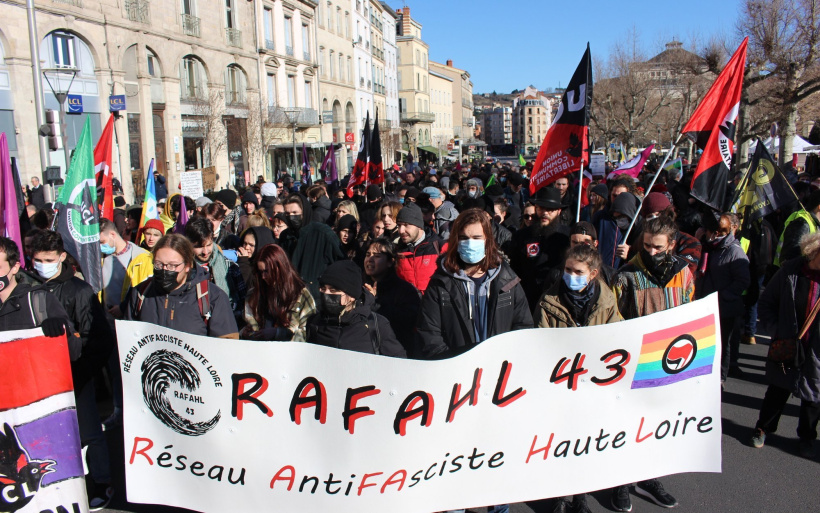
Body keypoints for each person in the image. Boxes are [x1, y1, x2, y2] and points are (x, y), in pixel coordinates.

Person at [25, 231, 116, 510]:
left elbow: (97, 337)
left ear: (62, 257)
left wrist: (81, 372)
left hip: (75, 376)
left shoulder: (79, 291)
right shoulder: (25, 288)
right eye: (37, 260)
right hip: (38, 379)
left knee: (88, 432)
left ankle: (101, 482)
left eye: (49, 260)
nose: (42, 265)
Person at [609, 217, 692, 512]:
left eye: (658, 247)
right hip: (634, 363)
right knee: (628, 425)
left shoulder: (683, 273)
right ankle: (620, 482)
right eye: (646, 246)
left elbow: (690, 312)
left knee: (656, 426)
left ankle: (649, 477)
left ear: (671, 245)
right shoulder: (627, 274)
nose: (651, 252)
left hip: (669, 362)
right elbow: (613, 319)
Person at [417, 208, 533, 360]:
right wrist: (454, 362)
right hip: (457, 372)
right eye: (464, 238)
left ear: (488, 240)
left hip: (499, 369)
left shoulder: (508, 281)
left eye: (477, 238)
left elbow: (523, 328)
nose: (470, 243)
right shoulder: (440, 284)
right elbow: (430, 334)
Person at [751, 231, 820, 458]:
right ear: (813, 252)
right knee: (778, 388)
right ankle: (763, 428)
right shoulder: (791, 270)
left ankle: (807, 437)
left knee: (814, 395)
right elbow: (767, 302)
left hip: (816, 350)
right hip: (788, 341)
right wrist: (776, 331)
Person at [123, 234, 239, 338]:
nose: (165, 270)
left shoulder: (213, 297)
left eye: (172, 266)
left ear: (187, 265)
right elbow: (127, 339)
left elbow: (227, 344)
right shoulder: (141, 293)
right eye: (159, 264)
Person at [305, 260, 406, 356]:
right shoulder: (315, 322)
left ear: (352, 295)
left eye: (333, 290)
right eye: (323, 289)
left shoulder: (377, 325)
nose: (326, 294)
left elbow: (398, 363)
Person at [696, 213, 751, 383]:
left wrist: (721, 296)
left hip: (724, 308)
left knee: (722, 344)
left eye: (711, 231)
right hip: (706, 304)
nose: (708, 234)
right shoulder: (708, 247)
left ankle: (720, 379)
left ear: (720, 232)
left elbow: (743, 281)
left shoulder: (734, 252)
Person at [509, 187, 571, 307]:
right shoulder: (521, 236)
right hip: (527, 299)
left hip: (557, 299)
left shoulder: (566, 236)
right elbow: (514, 269)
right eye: (541, 208)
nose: (545, 213)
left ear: (558, 211)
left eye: (550, 210)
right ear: (536, 208)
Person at [241, 244, 317, 342]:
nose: (263, 276)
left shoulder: (301, 295)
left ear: (279, 268)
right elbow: (247, 324)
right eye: (260, 272)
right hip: (259, 350)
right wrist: (244, 332)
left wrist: (278, 333)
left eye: (266, 271)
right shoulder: (254, 294)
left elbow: (307, 334)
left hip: (289, 352)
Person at [363, 238, 421, 356]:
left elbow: (407, 321)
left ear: (390, 261)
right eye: (368, 254)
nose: (370, 259)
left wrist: (374, 303)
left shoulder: (405, 290)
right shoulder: (358, 286)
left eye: (377, 256)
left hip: (395, 354)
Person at [185, 217, 246, 325]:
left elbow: (242, 301)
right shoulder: (183, 271)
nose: (205, 252)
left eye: (208, 245)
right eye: (199, 247)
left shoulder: (229, 267)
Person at [286, 194, 345, 299]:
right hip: (291, 297)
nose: (291, 217)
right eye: (287, 214)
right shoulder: (285, 236)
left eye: (295, 213)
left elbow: (340, 263)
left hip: (316, 299)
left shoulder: (323, 233)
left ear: (304, 212)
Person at [99, 218, 151, 311]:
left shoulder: (142, 258)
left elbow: (146, 292)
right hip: (105, 316)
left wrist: (123, 308)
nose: (100, 246)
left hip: (128, 317)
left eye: (102, 242)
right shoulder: (101, 257)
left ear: (112, 234)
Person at [395, 202, 444, 293]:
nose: (401, 230)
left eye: (406, 225)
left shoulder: (440, 247)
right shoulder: (396, 251)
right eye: (399, 225)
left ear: (419, 226)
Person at [237, 226, 276, 291]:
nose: (246, 247)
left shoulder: (266, 265)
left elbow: (248, 286)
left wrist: (243, 262)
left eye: (251, 245)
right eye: (245, 243)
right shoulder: (241, 257)